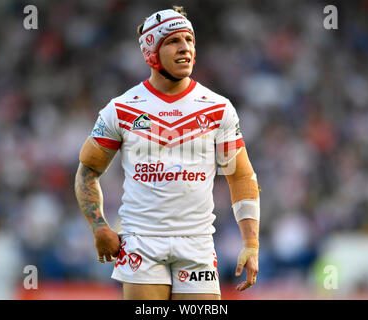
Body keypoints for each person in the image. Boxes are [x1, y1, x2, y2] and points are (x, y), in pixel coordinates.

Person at [75, 6, 261, 300]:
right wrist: (99, 226)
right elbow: (87, 171)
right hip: (141, 243)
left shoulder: (218, 108)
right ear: (151, 50)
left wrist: (251, 244)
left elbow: (240, 176)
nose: (185, 47)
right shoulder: (121, 109)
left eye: (189, 40)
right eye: (174, 41)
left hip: (197, 243)